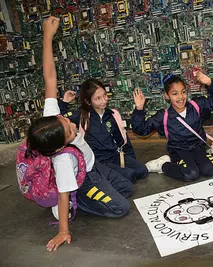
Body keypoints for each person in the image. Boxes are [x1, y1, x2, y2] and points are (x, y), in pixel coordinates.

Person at [27, 17, 133, 251]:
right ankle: (81, 202)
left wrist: (47, 36)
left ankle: (94, 192)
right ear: (59, 147)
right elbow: (64, 192)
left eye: (65, 121)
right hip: (82, 182)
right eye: (69, 131)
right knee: (121, 207)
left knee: (128, 187)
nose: (70, 123)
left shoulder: (53, 119)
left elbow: (50, 77)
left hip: (94, 166)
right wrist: (63, 230)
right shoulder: (63, 160)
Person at [131, 72, 213, 181]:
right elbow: (141, 129)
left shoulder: (196, 106)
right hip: (179, 151)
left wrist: (209, 82)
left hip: (198, 147)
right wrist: (139, 109)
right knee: (191, 173)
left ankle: (208, 156)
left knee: (210, 170)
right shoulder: (164, 116)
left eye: (183, 92)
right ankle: (163, 165)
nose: (180, 97)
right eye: (175, 93)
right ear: (167, 96)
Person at [59, 78, 148, 183]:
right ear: (88, 101)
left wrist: (132, 160)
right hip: (98, 161)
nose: (104, 100)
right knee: (129, 176)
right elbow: (60, 119)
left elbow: (124, 141)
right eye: (98, 98)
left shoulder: (113, 114)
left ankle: (117, 174)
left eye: (105, 95)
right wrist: (64, 102)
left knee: (142, 171)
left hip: (115, 156)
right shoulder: (82, 116)